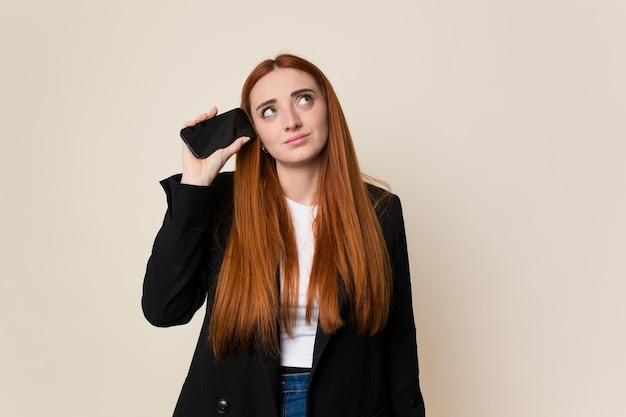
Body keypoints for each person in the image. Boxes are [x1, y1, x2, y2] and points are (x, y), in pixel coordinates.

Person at [142, 53, 426, 417]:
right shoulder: (223, 204)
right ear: (253, 132)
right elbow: (163, 309)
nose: (291, 121)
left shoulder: (380, 210)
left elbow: (399, 342)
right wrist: (195, 183)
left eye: (304, 99)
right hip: (239, 403)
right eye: (269, 111)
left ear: (329, 110)